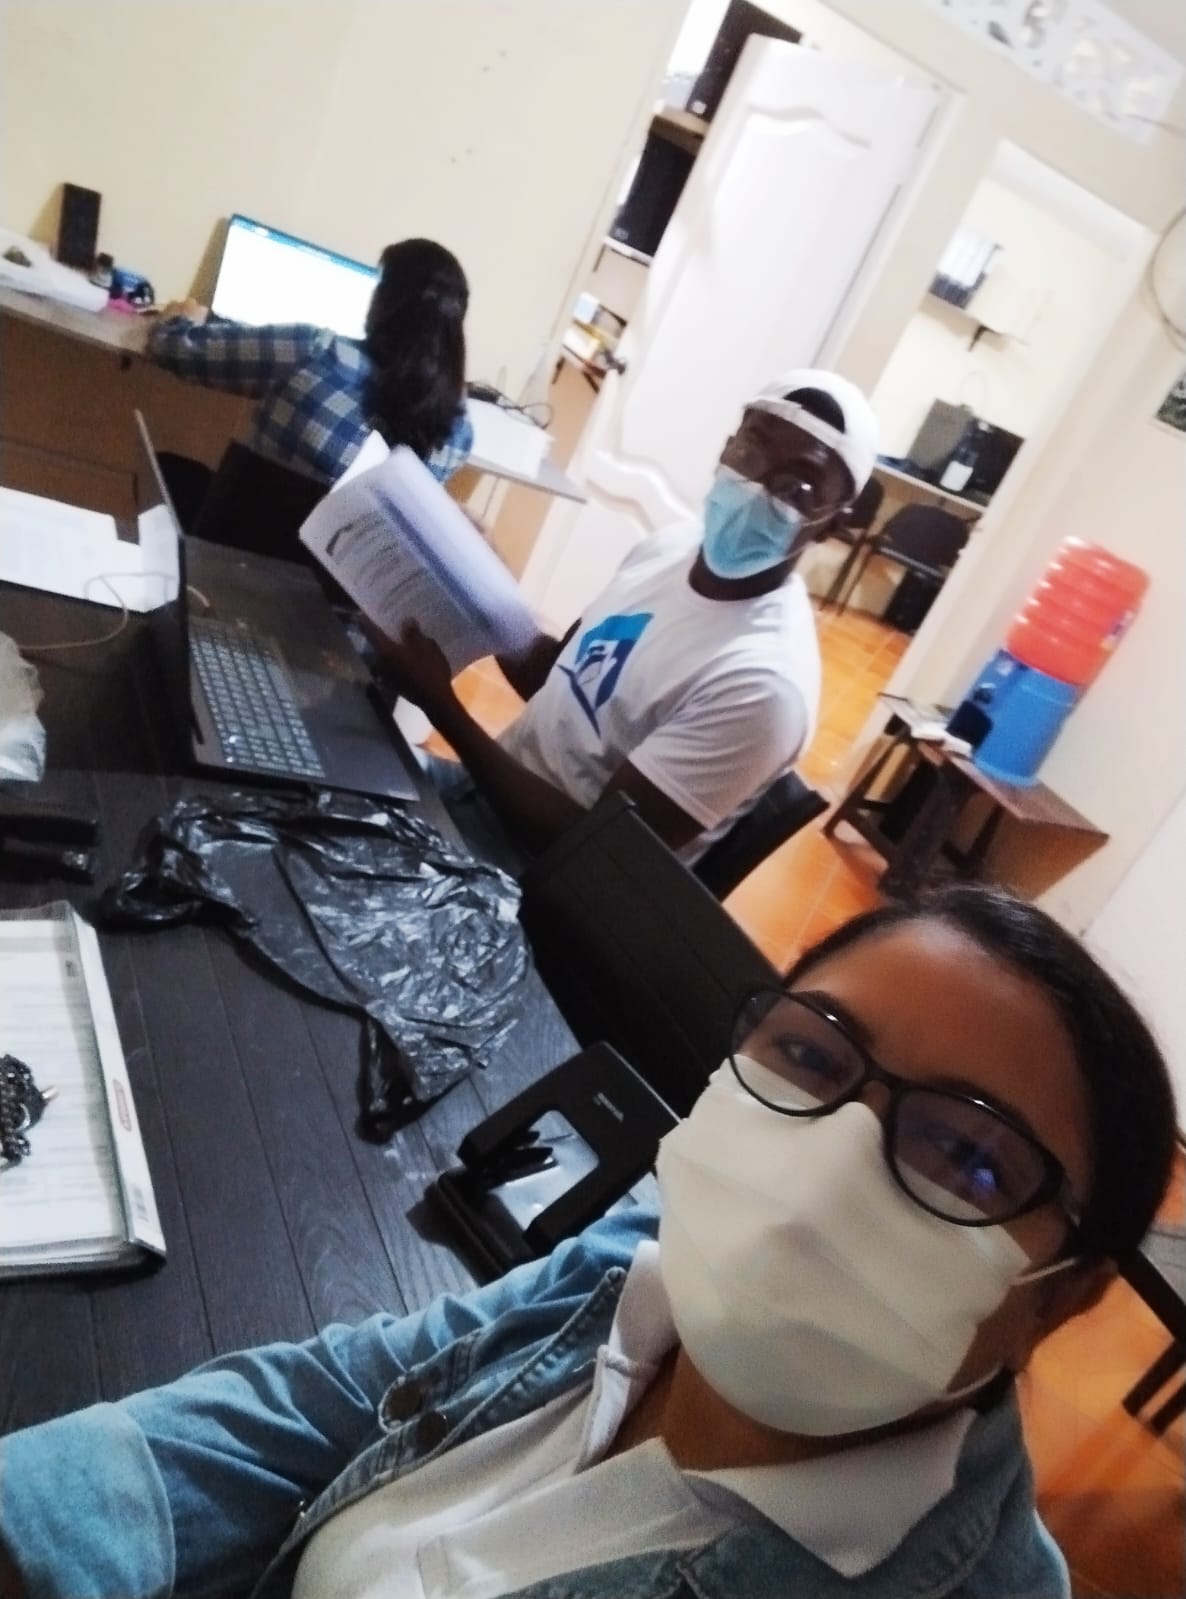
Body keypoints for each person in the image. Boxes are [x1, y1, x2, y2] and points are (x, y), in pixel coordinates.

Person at [1, 883, 1177, 1599]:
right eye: (811, 1053)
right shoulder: (643, 1254)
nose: (826, 1170)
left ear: (1060, 1295)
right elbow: (338, 1398)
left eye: (970, 1156)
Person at [370, 368, 877, 870]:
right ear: (726, 448)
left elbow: (595, 852)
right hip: (480, 800)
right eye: (750, 454)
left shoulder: (763, 685)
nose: (756, 489)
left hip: (523, 873)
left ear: (832, 523)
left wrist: (442, 706)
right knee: (333, 760)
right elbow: (558, 680)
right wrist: (478, 572)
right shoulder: (671, 548)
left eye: (796, 489)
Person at [146, 237, 473, 489]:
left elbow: (175, 351)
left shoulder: (314, 351)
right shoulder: (457, 435)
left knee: (171, 469)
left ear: (385, 303)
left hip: (227, 538)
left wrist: (182, 318)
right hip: (323, 560)